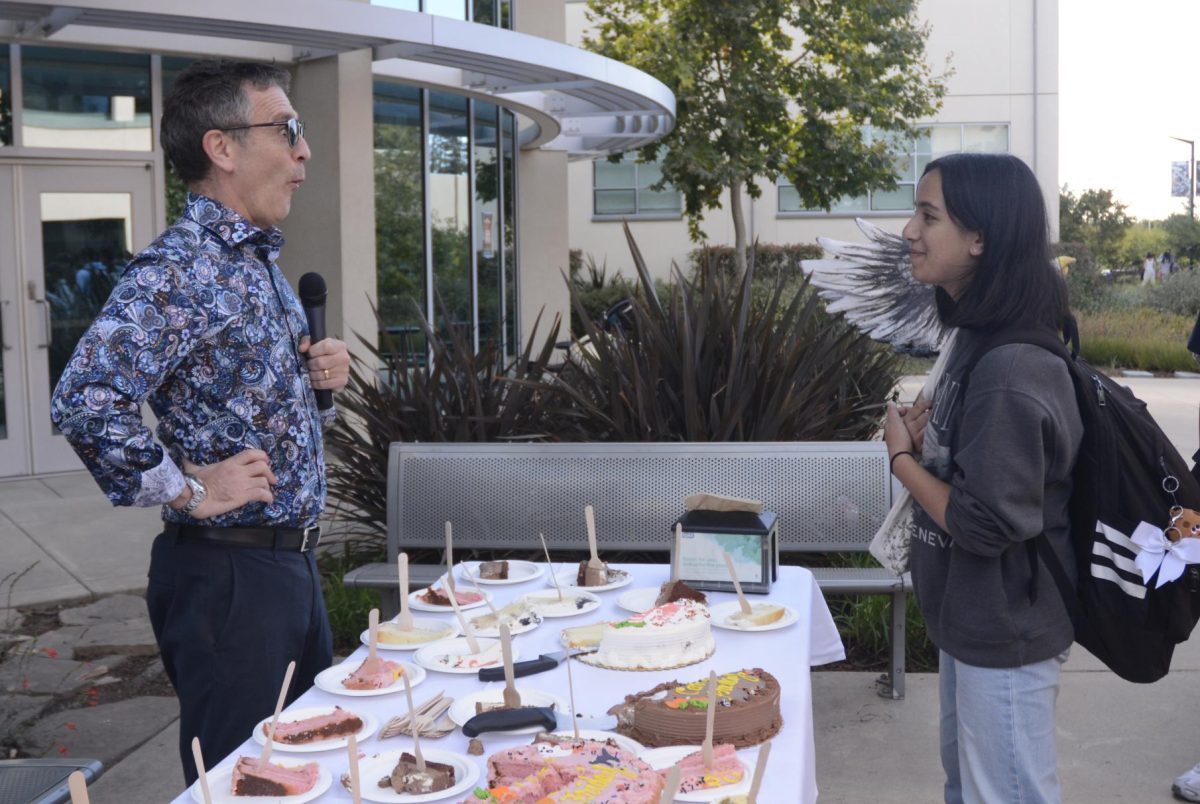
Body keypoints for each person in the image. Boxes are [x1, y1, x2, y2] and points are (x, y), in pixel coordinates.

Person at [49, 59, 350, 784]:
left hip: (288, 569)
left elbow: (259, 415)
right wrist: (186, 488)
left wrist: (323, 388)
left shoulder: (255, 265)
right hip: (230, 580)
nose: (304, 150)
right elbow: (86, 398)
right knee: (239, 784)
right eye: (288, 129)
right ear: (223, 148)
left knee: (309, 770)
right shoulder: (178, 269)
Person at [884, 153, 1082, 803]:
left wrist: (902, 461)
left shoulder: (1011, 367)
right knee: (969, 790)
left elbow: (982, 521)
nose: (910, 230)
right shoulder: (974, 339)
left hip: (1006, 631)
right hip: (974, 622)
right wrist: (930, 443)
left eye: (928, 214)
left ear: (981, 238)